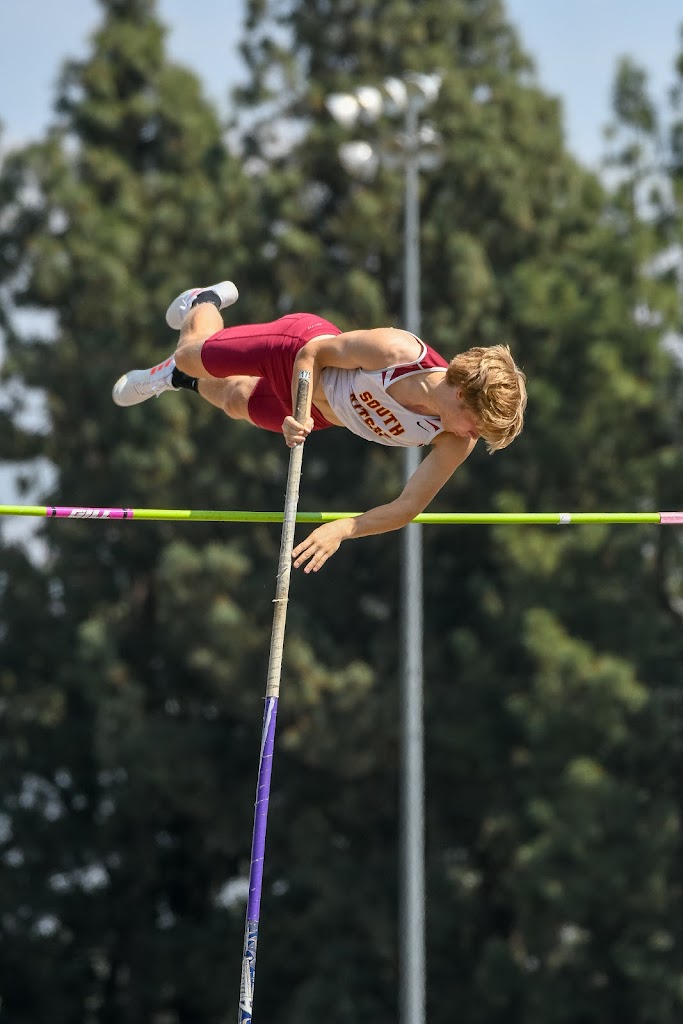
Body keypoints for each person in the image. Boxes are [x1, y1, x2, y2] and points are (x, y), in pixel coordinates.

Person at [113, 280, 527, 573]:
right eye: (478, 424)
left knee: (235, 400)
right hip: (294, 351)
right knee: (189, 353)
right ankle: (202, 301)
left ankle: (177, 380)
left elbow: (406, 508)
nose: (474, 435)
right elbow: (313, 353)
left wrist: (344, 529)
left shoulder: (454, 441)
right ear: (460, 394)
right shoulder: (397, 351)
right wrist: (300, 408)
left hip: (326, 414)